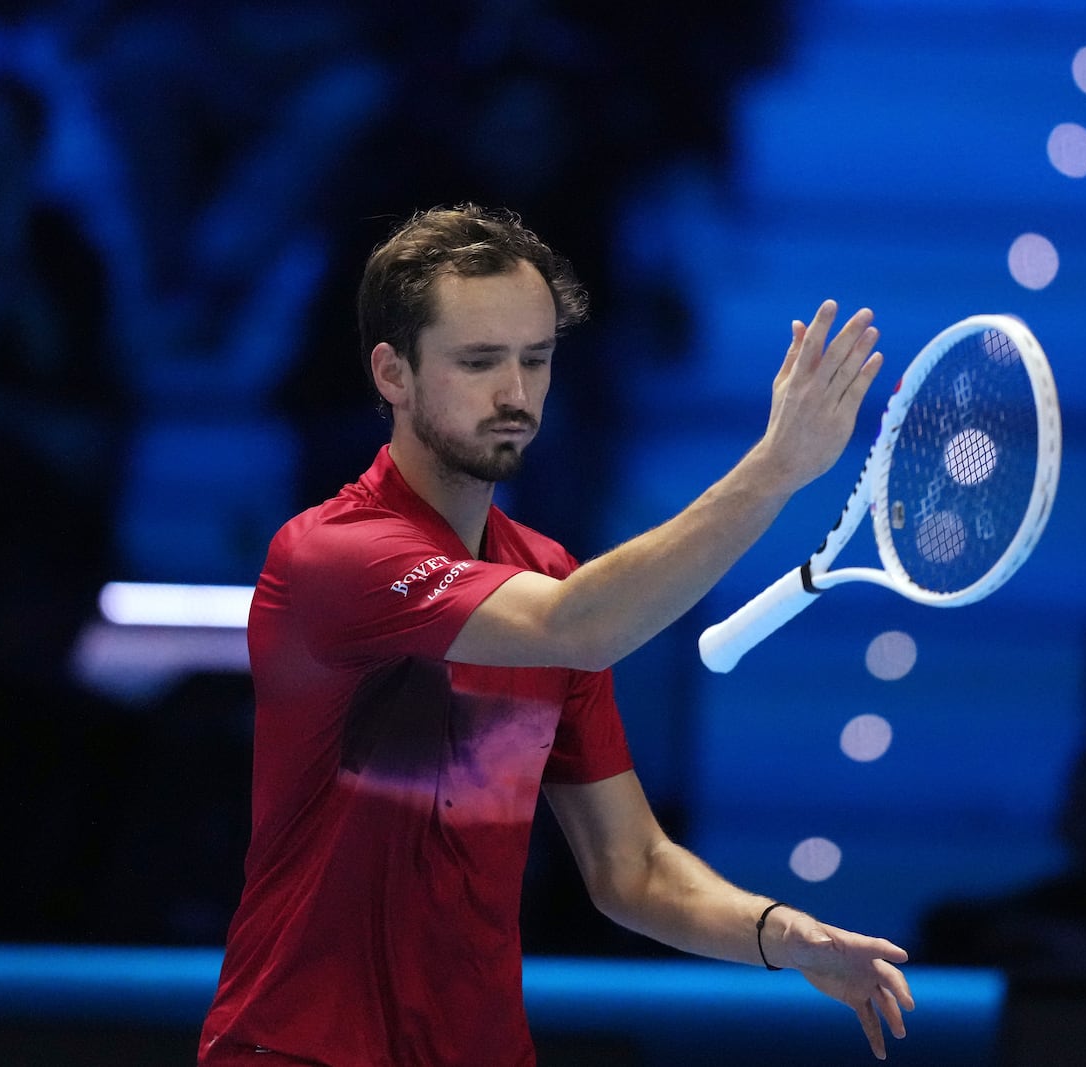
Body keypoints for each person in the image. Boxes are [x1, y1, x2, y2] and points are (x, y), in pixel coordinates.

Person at [197, 204, 915, 1066]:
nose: (516, 394)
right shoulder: (334, 558)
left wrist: (780, 934)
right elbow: (581, 624)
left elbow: (633, 868)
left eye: (535, 360)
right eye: (479, 362)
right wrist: (772, 473)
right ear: (392, 372)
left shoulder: (544, 569)